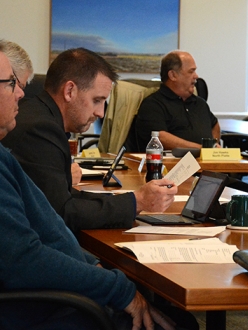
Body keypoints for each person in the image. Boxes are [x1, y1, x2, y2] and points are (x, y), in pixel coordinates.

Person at [0, 44, 198, 330]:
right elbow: (24, 257)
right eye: (11, 84)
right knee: (180, 324)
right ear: (70, 91)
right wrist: (118, 288)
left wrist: (89, 263)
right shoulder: (36, 128)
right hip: (33, 309)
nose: (21, 92)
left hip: (38, 299)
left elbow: (44, 220)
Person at [1, 47, 177, 234]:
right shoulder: (41, 129)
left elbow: (65, 197)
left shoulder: (39, 115)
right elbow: (62, 212)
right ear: (69, 91)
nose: (100, 113)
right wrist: (137, 201)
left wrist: (133, 199)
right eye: (96, 100)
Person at [125, 50, 221, 152]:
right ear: (173, 75)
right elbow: (160, 138)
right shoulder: (153, 104)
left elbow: (214, 125)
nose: (196, 76)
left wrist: (213, 147)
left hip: (207, 164)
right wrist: (203, 149)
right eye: (191, 71)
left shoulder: (200, 103)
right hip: (172, 165)